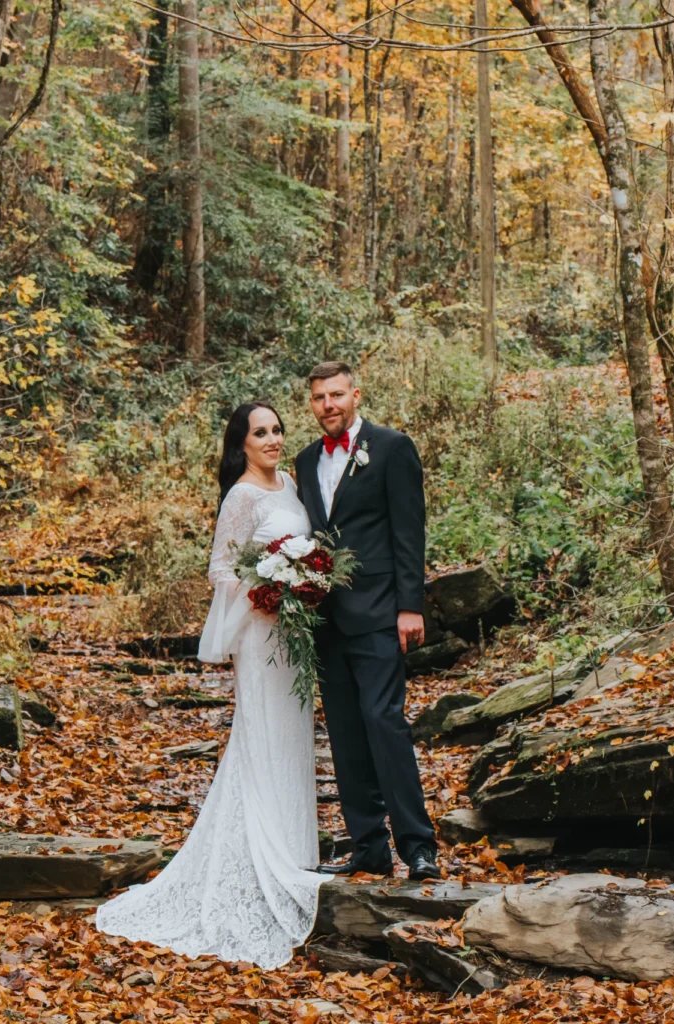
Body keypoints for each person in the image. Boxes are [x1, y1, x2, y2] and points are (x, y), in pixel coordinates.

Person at [94, 402, 326, 969]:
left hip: (292, 638)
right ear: (241, 444)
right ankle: (255, 860)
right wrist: (267, 592)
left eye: (276, 430)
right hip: (260, 635)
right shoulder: (242, 496)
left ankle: (294, 853)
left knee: (293, 738)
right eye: (260, 433)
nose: (272, 440)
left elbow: (302, 551)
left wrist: (306, 579)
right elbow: (221, 569)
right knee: (261, 735)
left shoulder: (290, 484)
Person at [294, 361, 440, 881]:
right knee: (346, 732)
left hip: (380, 612)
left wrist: (410, 605)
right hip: (324, 619)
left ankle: (418, 846)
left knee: (384, 724)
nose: (328, 405)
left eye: (336, 395)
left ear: (355, 395)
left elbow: (409, 530)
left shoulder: (392, 447)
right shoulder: (305, 460)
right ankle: (369, 847)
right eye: (319, 398)